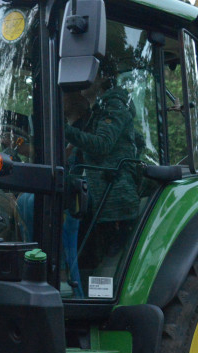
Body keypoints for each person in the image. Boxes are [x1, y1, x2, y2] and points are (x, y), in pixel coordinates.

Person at [64, 62, 140, 276]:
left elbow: (102, 144)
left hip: (114, 201)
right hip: (102, 198)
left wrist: (63, 130)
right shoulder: (101, 108)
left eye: (87, 72)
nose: (80, 80)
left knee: (109, 270)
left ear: (104, 77)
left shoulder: (114, 104)